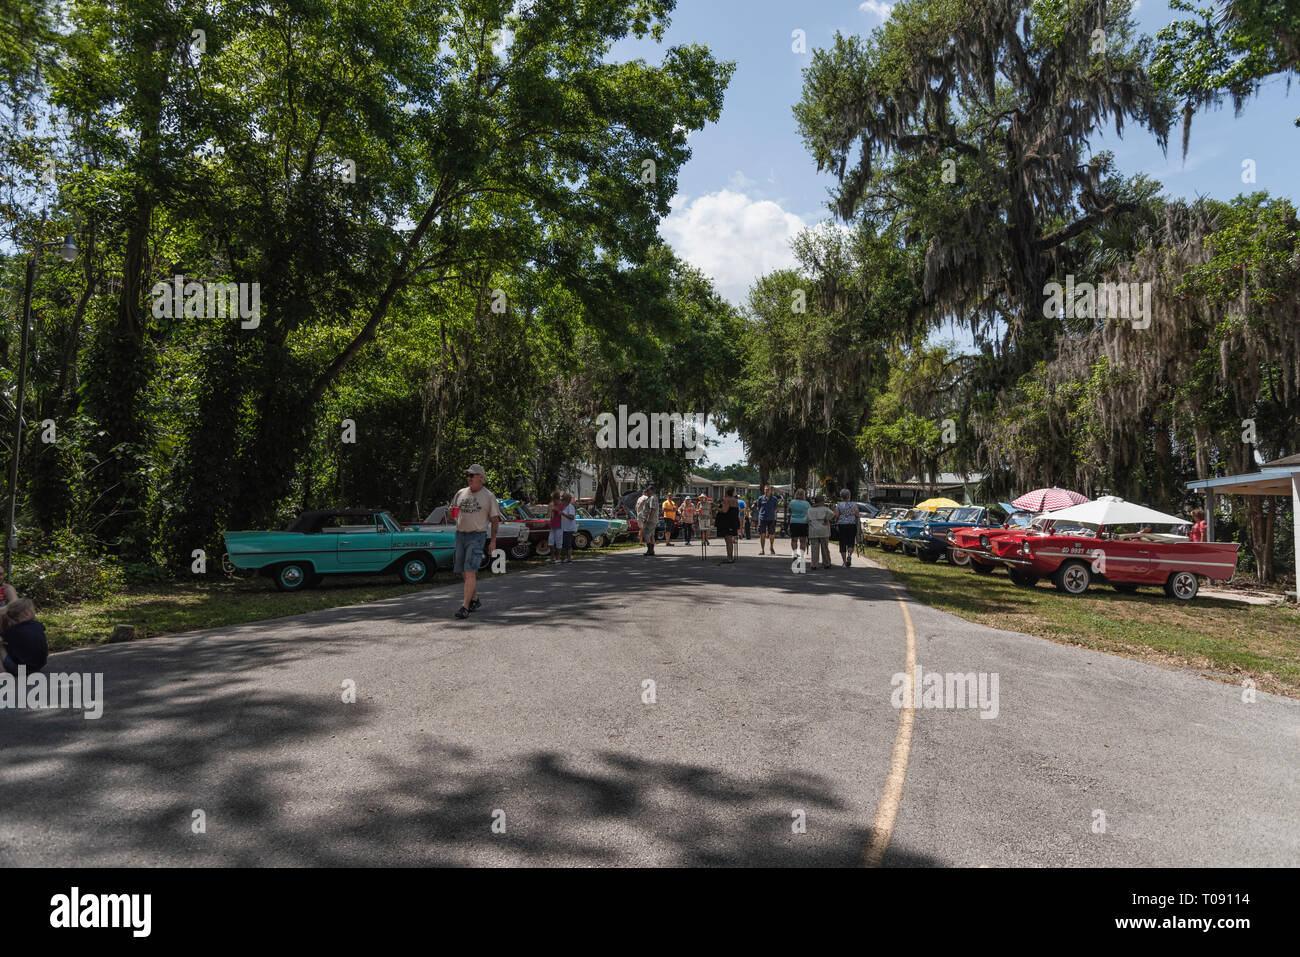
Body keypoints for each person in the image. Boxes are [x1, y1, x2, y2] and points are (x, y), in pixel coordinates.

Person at [450, 464, 501, 620]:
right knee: (463, 571)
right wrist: (453, 513)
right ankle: (475, 599)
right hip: (461, 535)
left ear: (481, 477)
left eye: (472, 475)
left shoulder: (488, 496)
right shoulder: (461, 493)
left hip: (476, 536)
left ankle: (464, 607)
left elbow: (495, 520)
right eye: (468, 475)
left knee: (470, 570)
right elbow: (454, 511)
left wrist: (493, 541)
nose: (469, 478)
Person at [2, 598, 47, 676]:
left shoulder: (11, 631)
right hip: (38, 666)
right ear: (27, 612)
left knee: (1, 646)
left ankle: (2, 671)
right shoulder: (38, 625)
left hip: (18, 670)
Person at [833, 489, 861, 567]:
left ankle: (844, 562)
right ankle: (849, 555)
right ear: (849, 496)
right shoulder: (854, 505)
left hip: (842, 525)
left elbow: (837, 515)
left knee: (842, 542)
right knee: (851, 541)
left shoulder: (839, 505)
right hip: (852, 525)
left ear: (841, 496)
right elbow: (857, 514)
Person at [807, 495, 834, 569]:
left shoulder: (810, 510)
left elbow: (807, 519)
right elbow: (832, 514)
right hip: (823, 530)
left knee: (814, 548)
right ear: (822, 502)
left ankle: (814, 564)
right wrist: (826, 519)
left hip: (813, 530)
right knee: (825, 547)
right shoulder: (825, 509)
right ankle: (826, 563)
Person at [716, 486, 741, 564]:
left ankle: (729, 558)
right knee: (730, 540)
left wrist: (716, 507)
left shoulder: (727, 500)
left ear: (726, 492)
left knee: (728, 541)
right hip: (733, 522)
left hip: (727, 523)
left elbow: (724, 510)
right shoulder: (735, 500)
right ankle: (730, 557)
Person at [788, 488, 810, 561]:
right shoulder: (806, 503)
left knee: (794, 539)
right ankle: (802, 555)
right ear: (804, 495)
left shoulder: (792, 502)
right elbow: (809, 512)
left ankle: (794, 554)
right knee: (803, 540)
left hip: (794, 522)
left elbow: (790, 511)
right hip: (803, 523)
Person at [638, 485, 661, 555]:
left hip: (650, 520)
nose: (647, 492)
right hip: (651, 519)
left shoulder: (652, 498)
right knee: (651, 535)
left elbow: (652, 509)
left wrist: (648, 518)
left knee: (646, 534)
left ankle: (649, 550)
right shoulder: (651, 497)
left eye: (648, 490)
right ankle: (652, 550)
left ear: (651, 490)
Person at [756, 485, 779, 555]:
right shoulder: (760, 498)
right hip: (762, 518)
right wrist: (762, 514)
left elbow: (776, 509)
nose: (766, 491)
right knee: (762, 534)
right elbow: (758, 508)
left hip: (771, 518)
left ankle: (771, 547)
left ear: (771, 491)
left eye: (768, 490)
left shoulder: (774, 499)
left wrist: (771, 513)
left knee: (771, 534)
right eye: (765, 490)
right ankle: (762, 550)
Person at [560, 493, 577, 563]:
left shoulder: (570, 507)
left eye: (563, 500)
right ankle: (565, 558)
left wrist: (563, 514)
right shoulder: (563, 507)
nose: (561, 501)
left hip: (569, 529)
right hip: (564, 528)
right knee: (564, 543)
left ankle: (569, 558)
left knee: (568, 543)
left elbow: (572, 517)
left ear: (566, 500)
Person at [547, 491, 563, 563]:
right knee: (550, 541)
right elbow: (551, 515)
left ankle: (558, 558)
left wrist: (557, 510)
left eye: (553, 499)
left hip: (559, 526)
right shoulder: (553, 505)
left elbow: (563, 515)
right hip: (553, 526)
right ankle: (552, 557)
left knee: (558, 542)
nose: (553, 501)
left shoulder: (561, 505)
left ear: (557, 499)